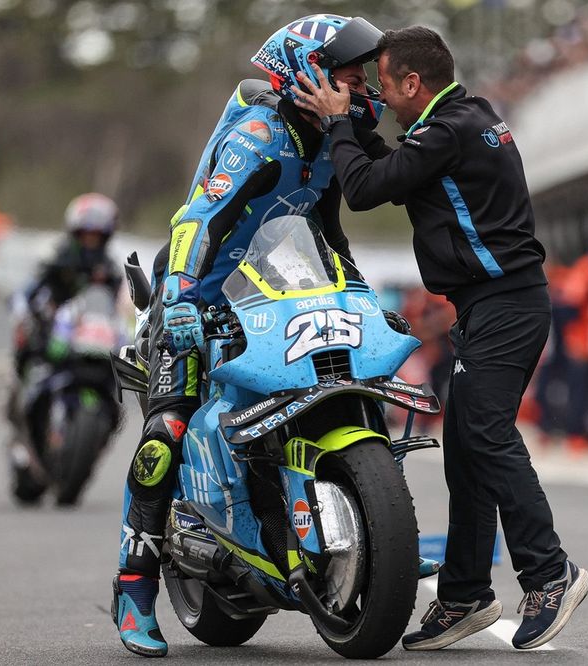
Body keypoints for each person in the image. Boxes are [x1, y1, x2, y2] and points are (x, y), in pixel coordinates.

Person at [292, 25, 588, 652]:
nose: (376, 93)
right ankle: (463, 596)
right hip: (492, 305)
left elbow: (366, 187)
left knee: (484, 434)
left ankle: (549, 572)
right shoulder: (466, 116)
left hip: (505, 303)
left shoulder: (445, 132)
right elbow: (392, 166)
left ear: (412, 82)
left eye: (383, 84)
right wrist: (347, 121)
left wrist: (341, 123)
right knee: (465, 447)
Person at [111, 15, 390, 658]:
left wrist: (363, 299)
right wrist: (178, 301)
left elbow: (326, 235)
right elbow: (196, 222)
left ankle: (372, 536)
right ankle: (133, 588)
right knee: (166, 434)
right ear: (307, 70)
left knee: (352, 379)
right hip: (194, 292)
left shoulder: (326, 139)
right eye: (350, 72)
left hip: (265, 293)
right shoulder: (262, 134)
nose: (363, 83)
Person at [7, 193, 121, 500]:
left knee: (118, 403)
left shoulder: (111, 271)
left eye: (96, 235)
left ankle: (88, 453)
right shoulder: (57, 261)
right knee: (25, 369)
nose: (90, 241)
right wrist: (25, 316)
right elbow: (27, 294)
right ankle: (21, 439)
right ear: (74, 233)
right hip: (54, 336)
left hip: (94, 344)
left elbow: (119, 309)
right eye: (85, 234)